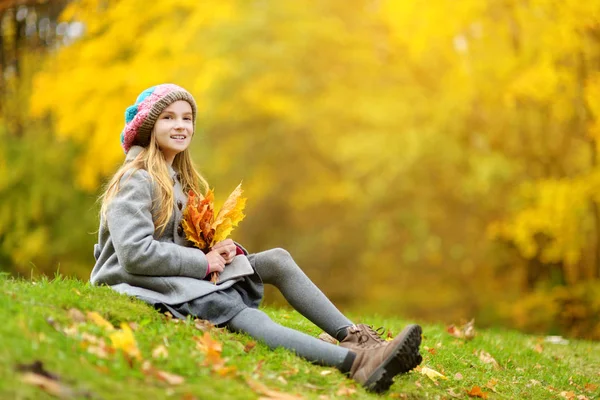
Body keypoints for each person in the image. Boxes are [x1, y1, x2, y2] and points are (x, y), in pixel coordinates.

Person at [91, 83, 422, 393]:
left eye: (187, 118)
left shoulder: (178, 177)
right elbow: (134, 253)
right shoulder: (136, 179)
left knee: (276, 259)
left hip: (177, 269)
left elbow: (176, 240)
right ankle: (357, 364)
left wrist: (214, 249)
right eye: (168, 118)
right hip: (137, 279)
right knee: (235, 309)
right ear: (149, 127)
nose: (180, 125)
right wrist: (203, 262)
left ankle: (358, 339)